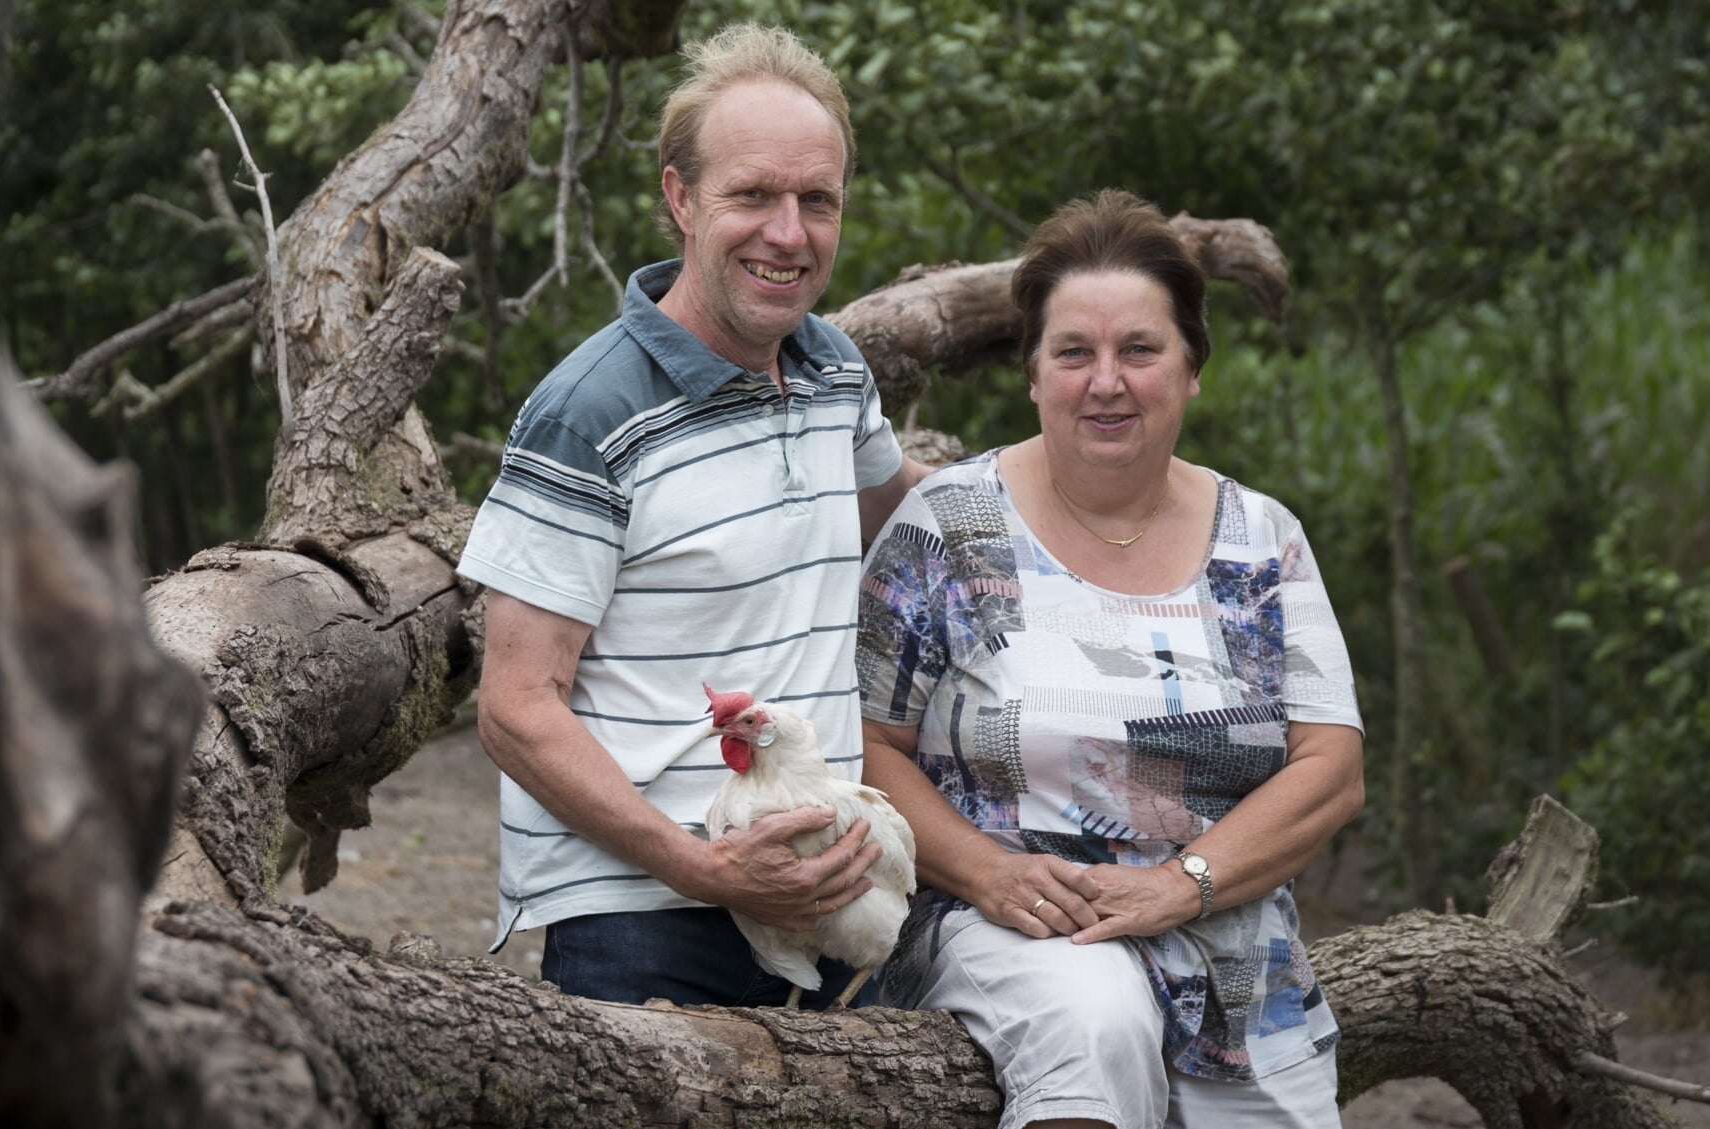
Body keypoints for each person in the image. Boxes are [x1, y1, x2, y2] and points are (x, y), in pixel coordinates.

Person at [856, 189, 1365, 1128]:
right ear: (1032, 373)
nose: (1106, 381)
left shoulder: (1262, 540)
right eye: (1074, 353)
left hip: (1231, 950)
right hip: (1010, 922)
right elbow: (866, 744)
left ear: (1191, 370)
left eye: (1139, 350)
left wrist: (1182, 884)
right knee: (1094, 1026)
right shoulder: (949, 529)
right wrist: (983, 870)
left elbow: (1329, 769)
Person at [457, 23, 926, 1009]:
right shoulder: (588, 412)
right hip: (648, 918)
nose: (787, 232)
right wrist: (697, 864)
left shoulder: (833, 367)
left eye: (816, 201)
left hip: (831, 896)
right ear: (679, 199)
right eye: (751, 195)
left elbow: (905, 509)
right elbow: (513, 707)